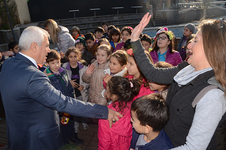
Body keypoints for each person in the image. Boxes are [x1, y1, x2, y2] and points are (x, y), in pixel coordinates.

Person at [0, 26, 122, 150]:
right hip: (38, 141)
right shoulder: (33, 76)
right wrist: (104, 111)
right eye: (47, 46)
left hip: (18, 137)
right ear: (34, 47)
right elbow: (63, 102)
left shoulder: (9, 64)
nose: (49, 50)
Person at [131, 13, 226, 149]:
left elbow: (193, 147)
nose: (189, 45)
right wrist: (135, 41)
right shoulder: (186, 69)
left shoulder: (213, 96)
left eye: (196, 41)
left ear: (212, 48)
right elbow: (153, 73)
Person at [45, 49, 84, 145]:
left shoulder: (64, 72)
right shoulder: (47, 77)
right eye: (53, 63)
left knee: (71, 123)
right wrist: (52, 77)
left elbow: (68, 86)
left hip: (68, 103)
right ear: (47, 63)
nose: (56, 65)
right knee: (63, 126)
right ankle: (65, 142)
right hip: (59, 108)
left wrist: (72, 98)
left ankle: (73, 137)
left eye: (58, 62)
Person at [98, 76, 140, 150]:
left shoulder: (106, 117)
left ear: (114, 96)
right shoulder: (133, 108)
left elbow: (104, 143)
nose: (105, 92)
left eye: (107, 90)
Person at [62, 47, 89, 133]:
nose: (73, 59)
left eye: (75, 56)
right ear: (67, 57)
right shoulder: (64, 67)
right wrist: (69, 82)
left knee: (83, 109)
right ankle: (76, 126)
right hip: (71, 94)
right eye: (71, 56)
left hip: (81, 93)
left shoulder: (83, 68)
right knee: (74, 111)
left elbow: (88, 81)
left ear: (78, 57)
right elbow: (61, 79)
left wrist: (83, 86)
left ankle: (84, 123)